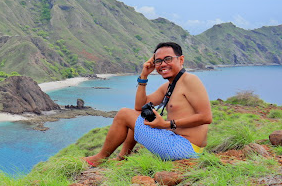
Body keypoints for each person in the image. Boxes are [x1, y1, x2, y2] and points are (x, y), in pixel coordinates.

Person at [83, 42, 212, 166]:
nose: (162, 64)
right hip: (176, 141)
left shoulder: (190, 80)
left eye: (168, 59)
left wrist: (166, 124)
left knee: (123, 114)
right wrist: (144, 75)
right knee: (141, 115)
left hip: (185, 148)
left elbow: (206, 117)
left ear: (181, 60)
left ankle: (99, 158)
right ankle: (122, 157)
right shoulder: (169, 86)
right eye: (158, 61)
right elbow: (139, 107)